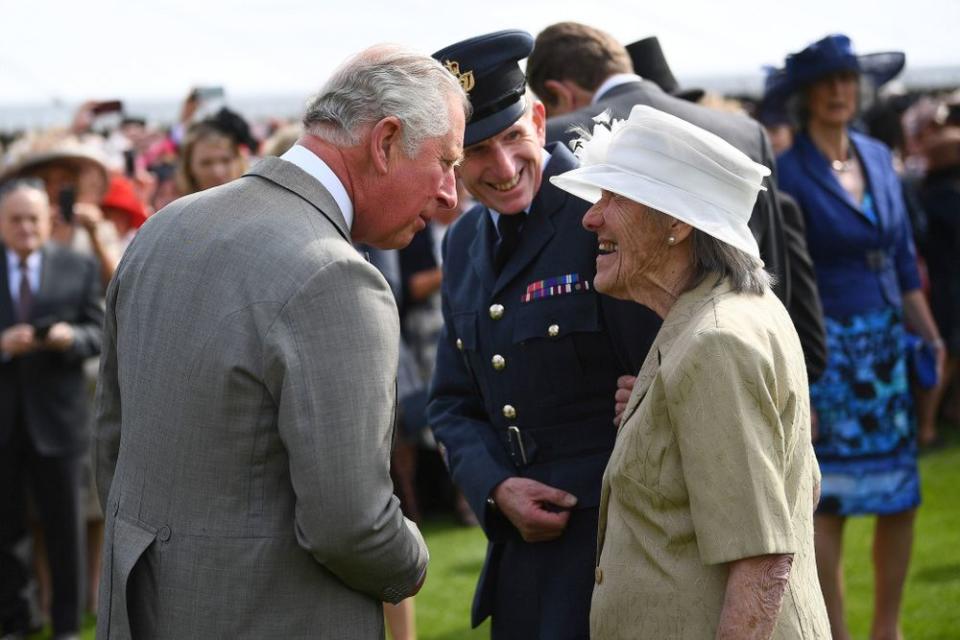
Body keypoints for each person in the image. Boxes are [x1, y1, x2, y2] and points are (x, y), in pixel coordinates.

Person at [94, 45, 467, 639]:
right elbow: (351, 525)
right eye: (445, 161)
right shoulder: (333, 276)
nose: (451, 193)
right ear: (385, 141)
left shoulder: (164, 227)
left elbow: (112, 446)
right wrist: (414, 557)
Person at [550, 104, 830, 639]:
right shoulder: (722, 316)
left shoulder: (717, 340)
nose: (591, 217)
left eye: (615, 198)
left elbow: (762, 561)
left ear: (676, 223)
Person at [428, 30, 660, 638]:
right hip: (524, 565)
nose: (502, 169)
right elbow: (452, 402)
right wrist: (496, 487)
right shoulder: (463, 242)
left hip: (620, 548)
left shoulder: (606, 214)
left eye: (513, 138)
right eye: (476, 151)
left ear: (538, 116)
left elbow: (667, 375)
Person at [526, 21, 827, 385]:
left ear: (559, 94)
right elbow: (773, 271)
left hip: (615, 398)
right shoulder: (745, 131)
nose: (594, 216)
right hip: (753, 361)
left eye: (614, 196)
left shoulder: (557, 140)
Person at [775, 34, 945, 640]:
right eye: (826, 82)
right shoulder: (787, 171)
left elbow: (902, 257)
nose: (839, 92)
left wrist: (929, 335)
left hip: (888, 346)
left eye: (847, 80)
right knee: (832, 501)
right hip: (827, 354)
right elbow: (787, 280)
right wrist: (801, 378)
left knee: (901, 494)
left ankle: (888, 630)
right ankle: (836, 634)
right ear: (804, 95)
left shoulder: (877, 155)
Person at [0, 178, 104, 640]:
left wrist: (69, 339)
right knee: (6, 537)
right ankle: (17, 623)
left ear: (49, 221)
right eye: (16, 219)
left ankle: (66, 628)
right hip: (4, 424)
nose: (25, 228)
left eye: (33, 219)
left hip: (59, 425)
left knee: (66, 535)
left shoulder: (77, 266)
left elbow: (99, 334)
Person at [173, 109, 252, 196]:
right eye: (206, 163)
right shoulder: (177, 209)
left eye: (226, 160)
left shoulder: (260, 205)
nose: (218, 172)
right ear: (189, 167)